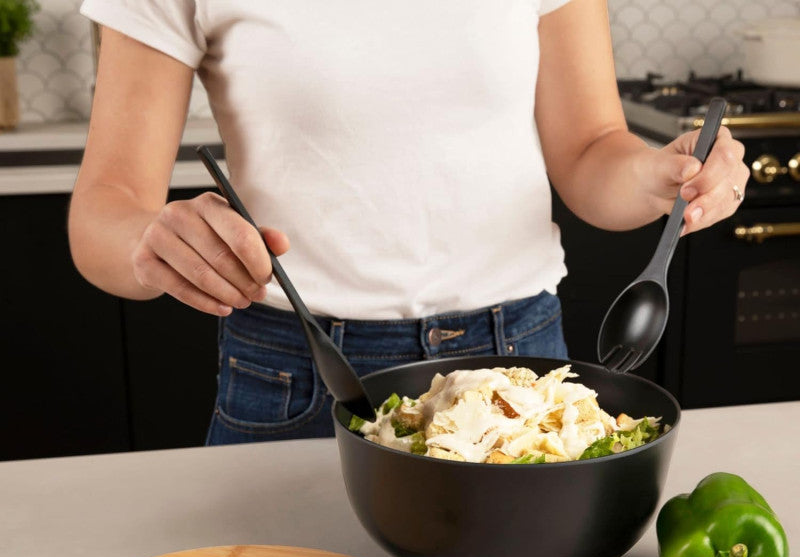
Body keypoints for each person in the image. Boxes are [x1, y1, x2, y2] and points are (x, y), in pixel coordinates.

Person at [69, 1, 749, 445]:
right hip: (300, 378)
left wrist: (659, 176)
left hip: (518, 370)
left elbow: (590, 150)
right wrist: (148, 241)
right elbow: (106, 206)